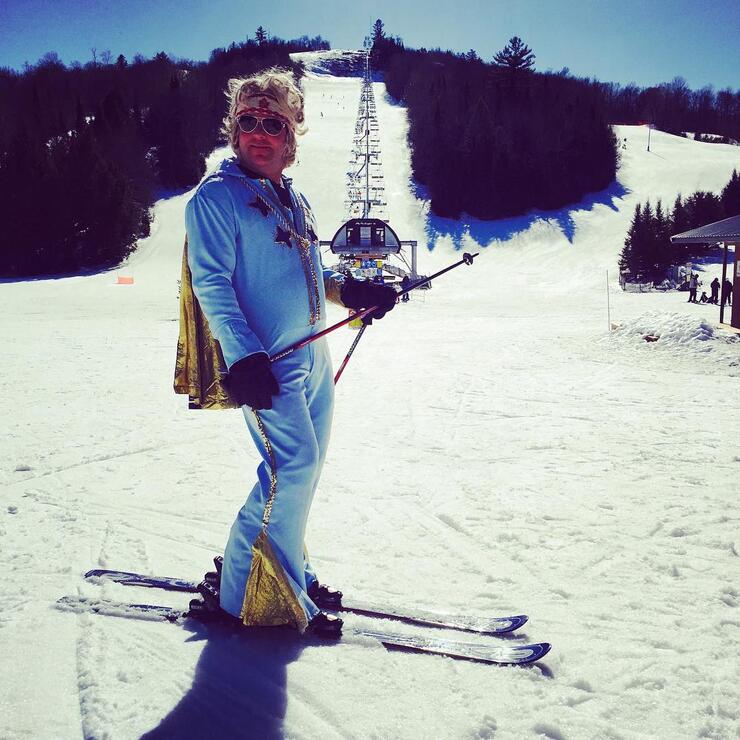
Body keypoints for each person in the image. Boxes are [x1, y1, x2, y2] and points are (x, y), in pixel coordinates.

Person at [182, 69, 397, 636]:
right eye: (247, 121)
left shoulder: (292, 197)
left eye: (271, 123)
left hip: (313, 361)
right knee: (290, 469)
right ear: (234, 129)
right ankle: (239, 595)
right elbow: (212, 284)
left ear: (290, 134)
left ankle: (290, 570)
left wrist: (349, 289)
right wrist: (242, 357)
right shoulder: (217, 197)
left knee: (305, 470)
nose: (258, 132)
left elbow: (308, 269)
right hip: (266, 368)